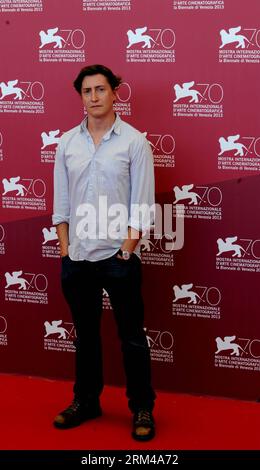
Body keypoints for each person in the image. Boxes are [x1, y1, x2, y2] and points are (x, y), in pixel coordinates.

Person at [52, 64, 156, 441]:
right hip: (77, 258)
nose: (94, 97)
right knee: (86, 337)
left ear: (115, 92)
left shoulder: (134, 142)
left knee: (131, 338)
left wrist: (126, 250)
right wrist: (66, 249)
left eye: (100, 89)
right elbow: (61, 201)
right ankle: (86, 401)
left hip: (118, 258)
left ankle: (142, 406)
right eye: (87, 91)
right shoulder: (67, 143)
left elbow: (141, 204)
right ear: (80, 96)